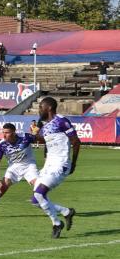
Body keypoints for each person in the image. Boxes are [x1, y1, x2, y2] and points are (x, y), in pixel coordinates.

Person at [33, 97, 79, 238]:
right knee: (36, 201)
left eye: (41, 107)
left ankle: (57, 223)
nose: (39, 110)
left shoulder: (61, 121)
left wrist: (73, 164)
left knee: (40, 194)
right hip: (49, 165)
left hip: (61, 164)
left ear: (49, 108)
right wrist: (34, 136)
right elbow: (46, 140)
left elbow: (76, 142)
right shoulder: (46, 125)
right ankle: (66, 212)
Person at [0, 123, 39, 219]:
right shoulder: (2, 144)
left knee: (39, 187)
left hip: (29, 166)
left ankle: (52, 209)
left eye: (7, 132)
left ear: (14, 132)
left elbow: (40, 138)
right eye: (3, 132)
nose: (4, 135)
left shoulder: (26, 137)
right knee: (1, 188)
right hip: (14, 168)